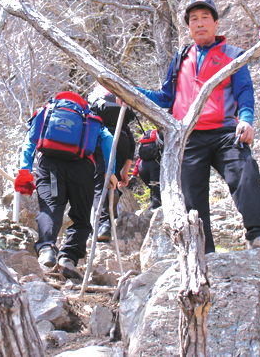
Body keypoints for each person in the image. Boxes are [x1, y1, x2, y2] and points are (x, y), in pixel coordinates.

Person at [135, 0, 260, 254]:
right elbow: (165, 97)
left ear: (216, 23)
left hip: (224, 133)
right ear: (189, 27)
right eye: (193, 19)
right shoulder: (181, 57)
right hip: (187, 136)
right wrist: (133, 94)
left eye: (205, 17)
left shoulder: (233, 55)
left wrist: (247, 121)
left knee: (245, 170)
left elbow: (244, 92)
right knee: (192, 198)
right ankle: (203, 253)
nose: (199, 23)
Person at [15, 91, 118, 280]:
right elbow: (109, 140)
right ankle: (68, 258)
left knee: (50, 209)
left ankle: (46, 249)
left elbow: (29, 142)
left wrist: (25, 171)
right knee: (80, 217)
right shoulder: (89, 116)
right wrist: (110, 171)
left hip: (49, 164)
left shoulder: (46, 111)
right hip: (82, 168)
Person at [88, 85, 136, 242]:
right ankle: (110, 210)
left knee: (99, 182)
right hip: (122, 141)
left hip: (102, 140)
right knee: (110, 180)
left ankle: (103, 224)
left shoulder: (95, 103)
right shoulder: (120, 110)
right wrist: (125, 171)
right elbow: (131, 141)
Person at [135, 128, 163, 210]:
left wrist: (134, 175)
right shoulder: (159, 140)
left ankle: (153, 206)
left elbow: (138, 160)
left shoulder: (143, 152)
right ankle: (155, 208)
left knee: (153, 189)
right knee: (157, 192)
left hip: (142, 167)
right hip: (155, 165)